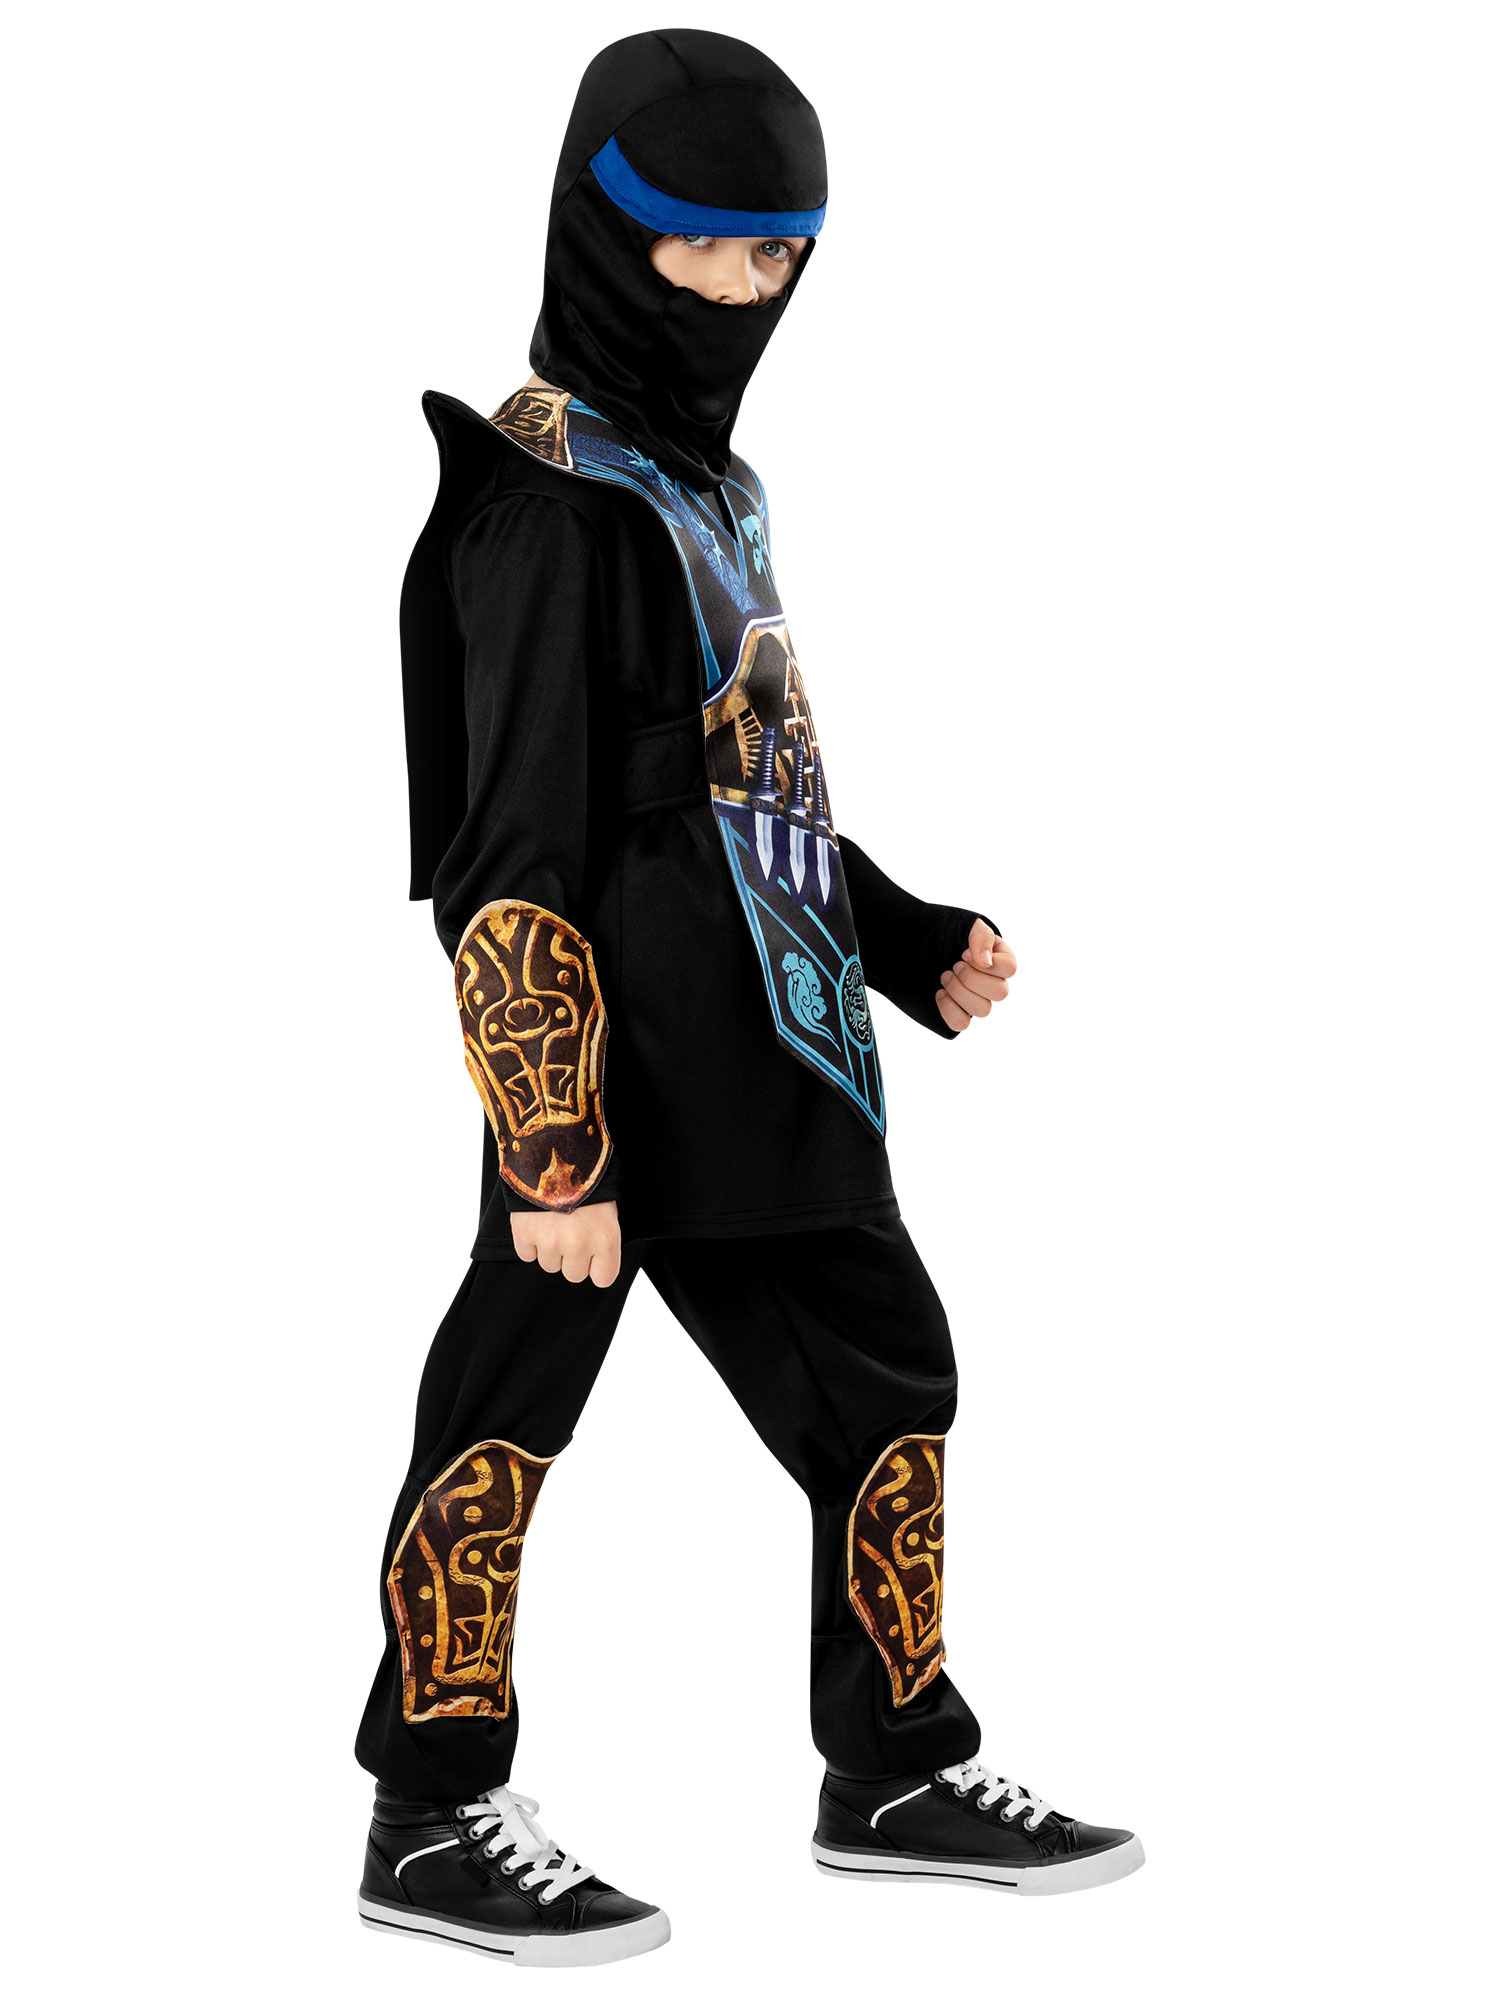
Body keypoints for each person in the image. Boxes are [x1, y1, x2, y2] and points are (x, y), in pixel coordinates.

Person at [356, 27, 1143, 1966]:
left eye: (778, 251)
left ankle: (893, 1772)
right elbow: (509, 854)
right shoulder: (544, 506)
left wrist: (897, 930)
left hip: (777, 1051)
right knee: (507, 1409)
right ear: (601, 232)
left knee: (886, 1374)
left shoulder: (705, 488)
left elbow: (738, 779)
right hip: (610, 1069)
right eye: (700, 246)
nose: (742, 288)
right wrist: (553, 1147)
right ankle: (431, 1814)